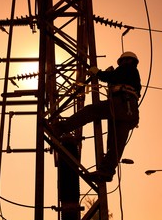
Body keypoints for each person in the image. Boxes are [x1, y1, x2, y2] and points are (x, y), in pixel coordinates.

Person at [47, 51, 141, 182]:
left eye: (125, 61)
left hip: (121, 104)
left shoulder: (128, 69)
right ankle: (106, 171)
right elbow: (116, 78)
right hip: (129, 112)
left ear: (130, 61)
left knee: (91, 111)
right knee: (116, 144)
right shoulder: (131, 75)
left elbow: (112, 76)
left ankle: (59, 128)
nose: (124, 63)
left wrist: (98, 72)